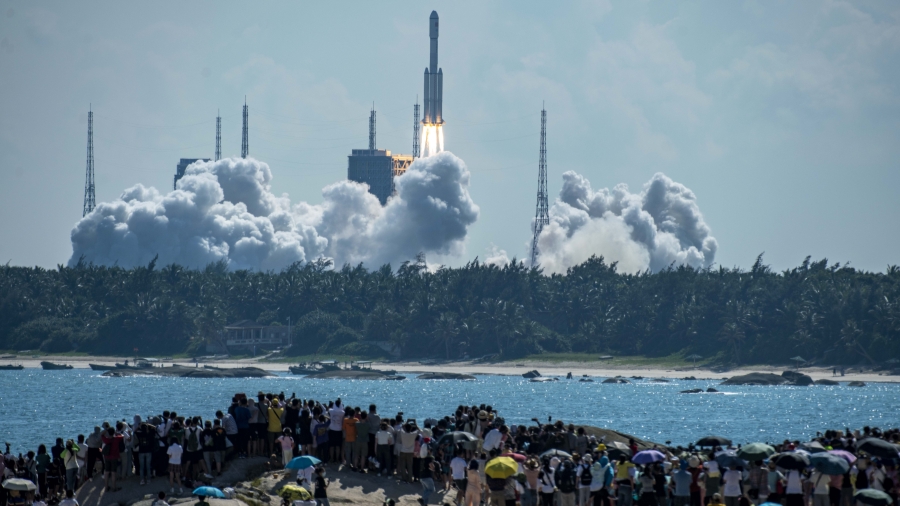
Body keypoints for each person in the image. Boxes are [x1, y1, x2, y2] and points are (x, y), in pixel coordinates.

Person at [101, 427, 123, 492]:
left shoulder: (106, 439)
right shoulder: (117, 439)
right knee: (113, 473)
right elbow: (122, 435)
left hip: (107, 457)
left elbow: (101, 435)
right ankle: (114, 487)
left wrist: (106, 430)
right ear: (113, 432)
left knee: (107, 472)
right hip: (114, 457)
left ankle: (106, 487)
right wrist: (116, 433)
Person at [328, 400, 345, 464]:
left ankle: (332, 458)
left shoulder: (331, 411)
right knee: (338, 446)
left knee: (331, 446)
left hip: (332, 429)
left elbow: (329, 409)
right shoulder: (342, 412)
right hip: (339, 430)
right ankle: (337, 459)